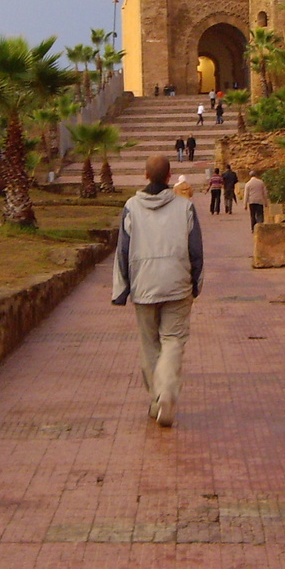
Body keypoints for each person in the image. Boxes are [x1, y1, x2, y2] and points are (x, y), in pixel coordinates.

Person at [113, 155, 202, 429]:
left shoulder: (131, 207)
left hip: (144, 285)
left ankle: (156, 398)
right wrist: (195, 283)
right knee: (173, 340)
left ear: (145, 175)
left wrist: (122, 288)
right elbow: (196, 251)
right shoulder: (185, 207)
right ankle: (166, 392)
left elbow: (123, 251)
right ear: (169, 176)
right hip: (177, 284)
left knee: (150, 345)